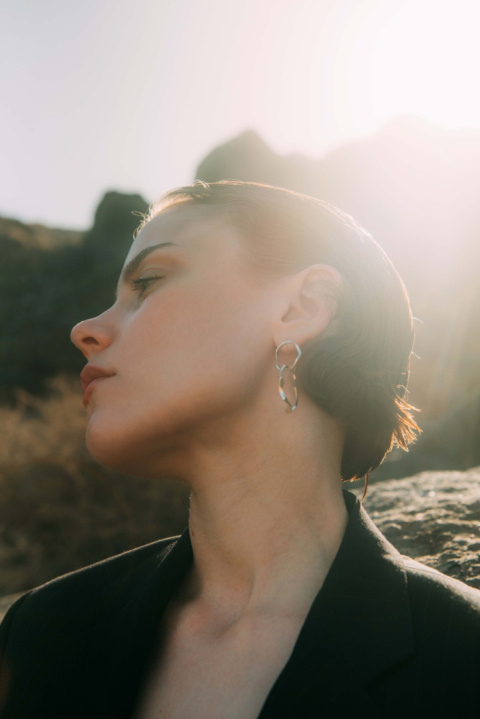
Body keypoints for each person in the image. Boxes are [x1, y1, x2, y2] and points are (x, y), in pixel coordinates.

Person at [0, 181, 479, 719]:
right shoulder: (42, 632)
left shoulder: (460, 657)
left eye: (148, 282)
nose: (83, 329)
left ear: (302, 308)